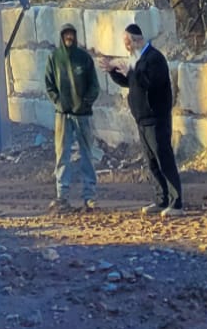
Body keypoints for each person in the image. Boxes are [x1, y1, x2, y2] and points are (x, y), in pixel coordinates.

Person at [105, 22, 184, 213]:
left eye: (128, 42)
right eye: (124, 42)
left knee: (164, 159)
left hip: (156, 118)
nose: (126, 46)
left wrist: (131, 73)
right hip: (142, 120)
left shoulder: (154, 58)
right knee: (152, 162)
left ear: (138, 40)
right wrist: (112, 71)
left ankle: (176, 203)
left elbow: (149, 82)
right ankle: (161, 200)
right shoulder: (137, 59)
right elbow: (130, 82)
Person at [43, 21, 99, 209]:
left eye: (71, 34)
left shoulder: (84, 58)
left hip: (83, 115)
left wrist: (85, 103)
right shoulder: (54, 58)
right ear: (61, 37)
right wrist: (59, 103)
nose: (69, 37)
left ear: (75, 36)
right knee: (62, 155)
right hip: (62, 115)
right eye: (66, 34)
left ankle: (89, 195)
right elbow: (49, 85)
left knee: (87, 154)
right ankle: (62, 195)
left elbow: (94, 86)